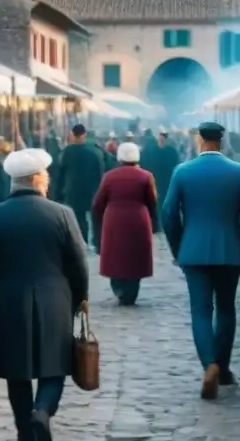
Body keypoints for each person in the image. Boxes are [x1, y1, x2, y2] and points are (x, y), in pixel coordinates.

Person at [0, 148, 89, 441]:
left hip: (9, 300)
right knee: (55, 366)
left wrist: (5, 280)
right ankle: (42, 412)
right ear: (38, 179)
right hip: (55, 299)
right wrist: (79, 301)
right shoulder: (62, 214)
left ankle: (25, 432)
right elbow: (79, 264)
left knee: (17, 370)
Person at [162, 122, 240, 400]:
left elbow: (168, 213)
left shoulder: (182, 172)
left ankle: (210, 365)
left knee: (201, 311)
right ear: (222, 141)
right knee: (226, 308)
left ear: (199, 140)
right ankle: (224, 368)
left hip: (193, 252)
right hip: (229, 251)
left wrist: (179, 246)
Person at [93, 142, 158, 305]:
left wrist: (98, 222)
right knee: (135, 256)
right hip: (139, 220)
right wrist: (155, 223)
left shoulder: (109, 176)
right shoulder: (146, 176)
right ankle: (131, 290)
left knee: (116, 254)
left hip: (114, 219)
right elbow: (152, 201)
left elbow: (98, 203)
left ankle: (119, 288)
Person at [54, 124, 106, 245]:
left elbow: (60, 174)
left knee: (79, 218)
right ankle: (98, 242)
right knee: (96, 217)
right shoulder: (95, 151)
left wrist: (58, 194)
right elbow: (101, 172)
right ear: (84, 135)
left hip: (74, 190)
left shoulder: (67, 152)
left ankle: (82, 242)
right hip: (93, 189)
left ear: (73, 135)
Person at [142, 128, 180, 227]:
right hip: (158, 180)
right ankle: (159, 223)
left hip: (167, 180)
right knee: (159, 201)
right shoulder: (158, 151)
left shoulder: (170, 151)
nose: (161, 139)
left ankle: (163, 223)